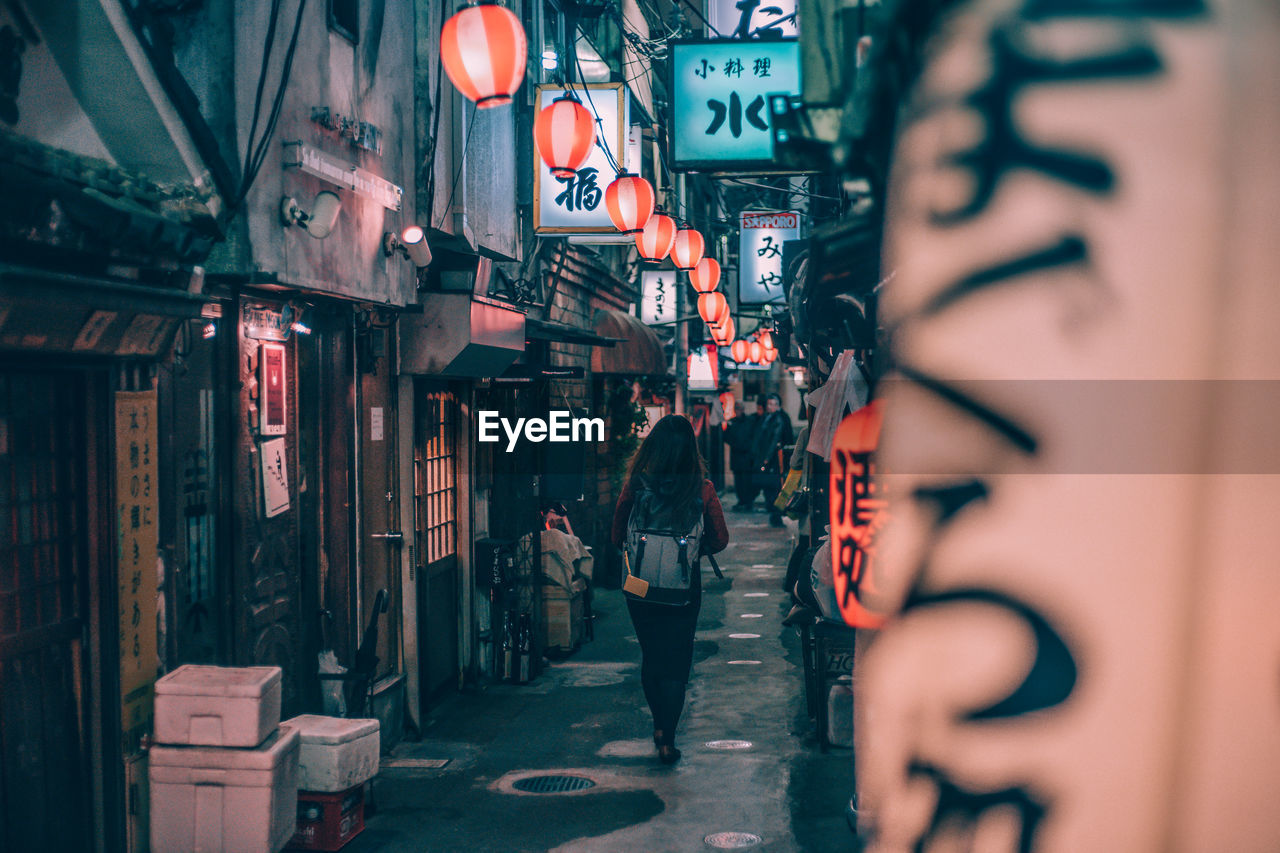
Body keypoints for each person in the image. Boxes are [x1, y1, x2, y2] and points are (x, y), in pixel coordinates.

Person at [611, 414, 729, 764]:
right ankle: (667, 739)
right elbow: (721, 540)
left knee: (652, 656)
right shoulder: (702, 488)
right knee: (677, 663)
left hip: (641, 585)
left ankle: (658, 726)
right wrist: (694, 548)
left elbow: (618, 535)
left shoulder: (636, 485)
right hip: (683, 588)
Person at [752, 393, 795, 527]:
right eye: (768, 404)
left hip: (776, 460)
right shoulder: (768, 417)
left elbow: (774, 440)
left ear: (778, 405)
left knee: (775, 487)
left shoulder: (779, 419)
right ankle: (775, 513)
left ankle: (777, 514)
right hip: (770, 459)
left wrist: (766, 459)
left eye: (772, 404)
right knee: (770, 487)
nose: (769, 407)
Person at [725, 397, 761, 510]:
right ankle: (741, 501)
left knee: (747, 481)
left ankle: (748, 501)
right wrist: (736, 444)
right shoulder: (732, 422)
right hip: (737, 456)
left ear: (743, 409)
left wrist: (748, 447)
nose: (739, 410)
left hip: (746, 456)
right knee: (739, 481)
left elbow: (754, 436)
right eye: (737, 408)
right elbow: (726, 437)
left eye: (740, 408)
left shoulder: (750, 421)